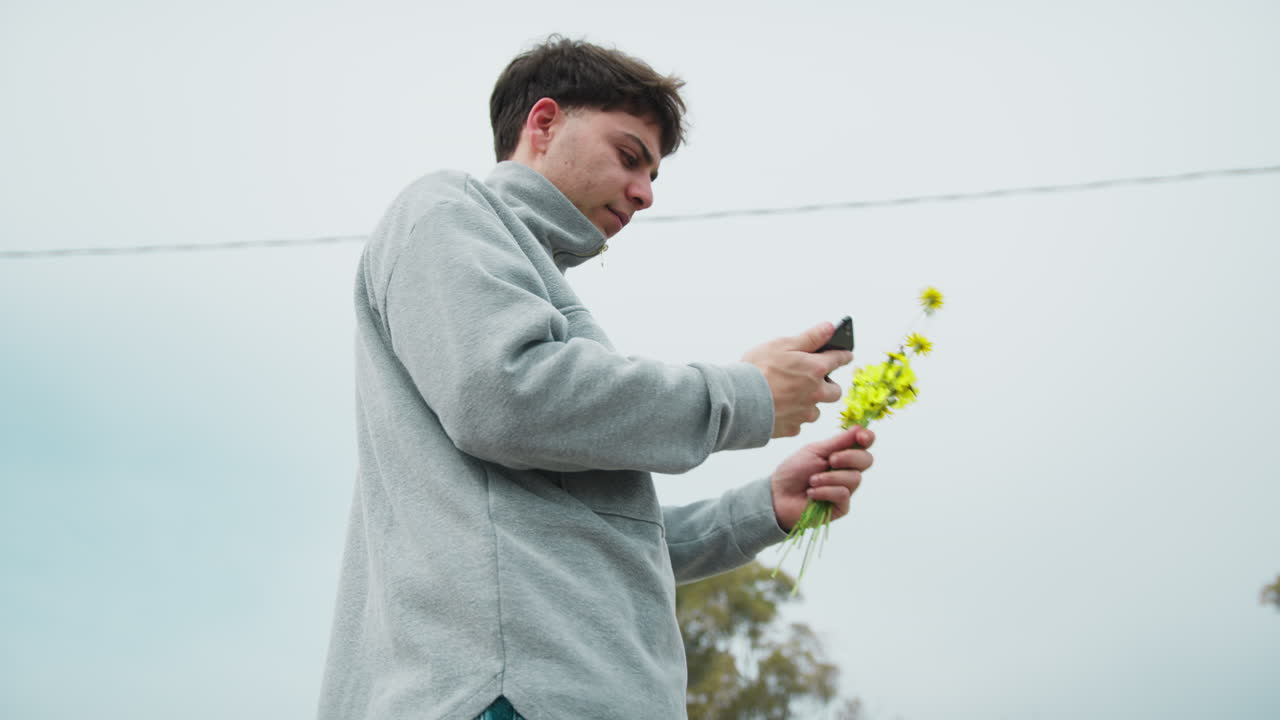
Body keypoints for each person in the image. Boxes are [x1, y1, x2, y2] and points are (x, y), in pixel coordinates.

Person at [317, 35, 876, 720]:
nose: (643, 193)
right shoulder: (446, 210)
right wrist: (743, 396)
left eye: (653, 176)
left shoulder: (535, 285)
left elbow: (597, 540)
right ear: (544, 124)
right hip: (502, 698)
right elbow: (506, 396)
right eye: (629, 156)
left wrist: (761, 510)